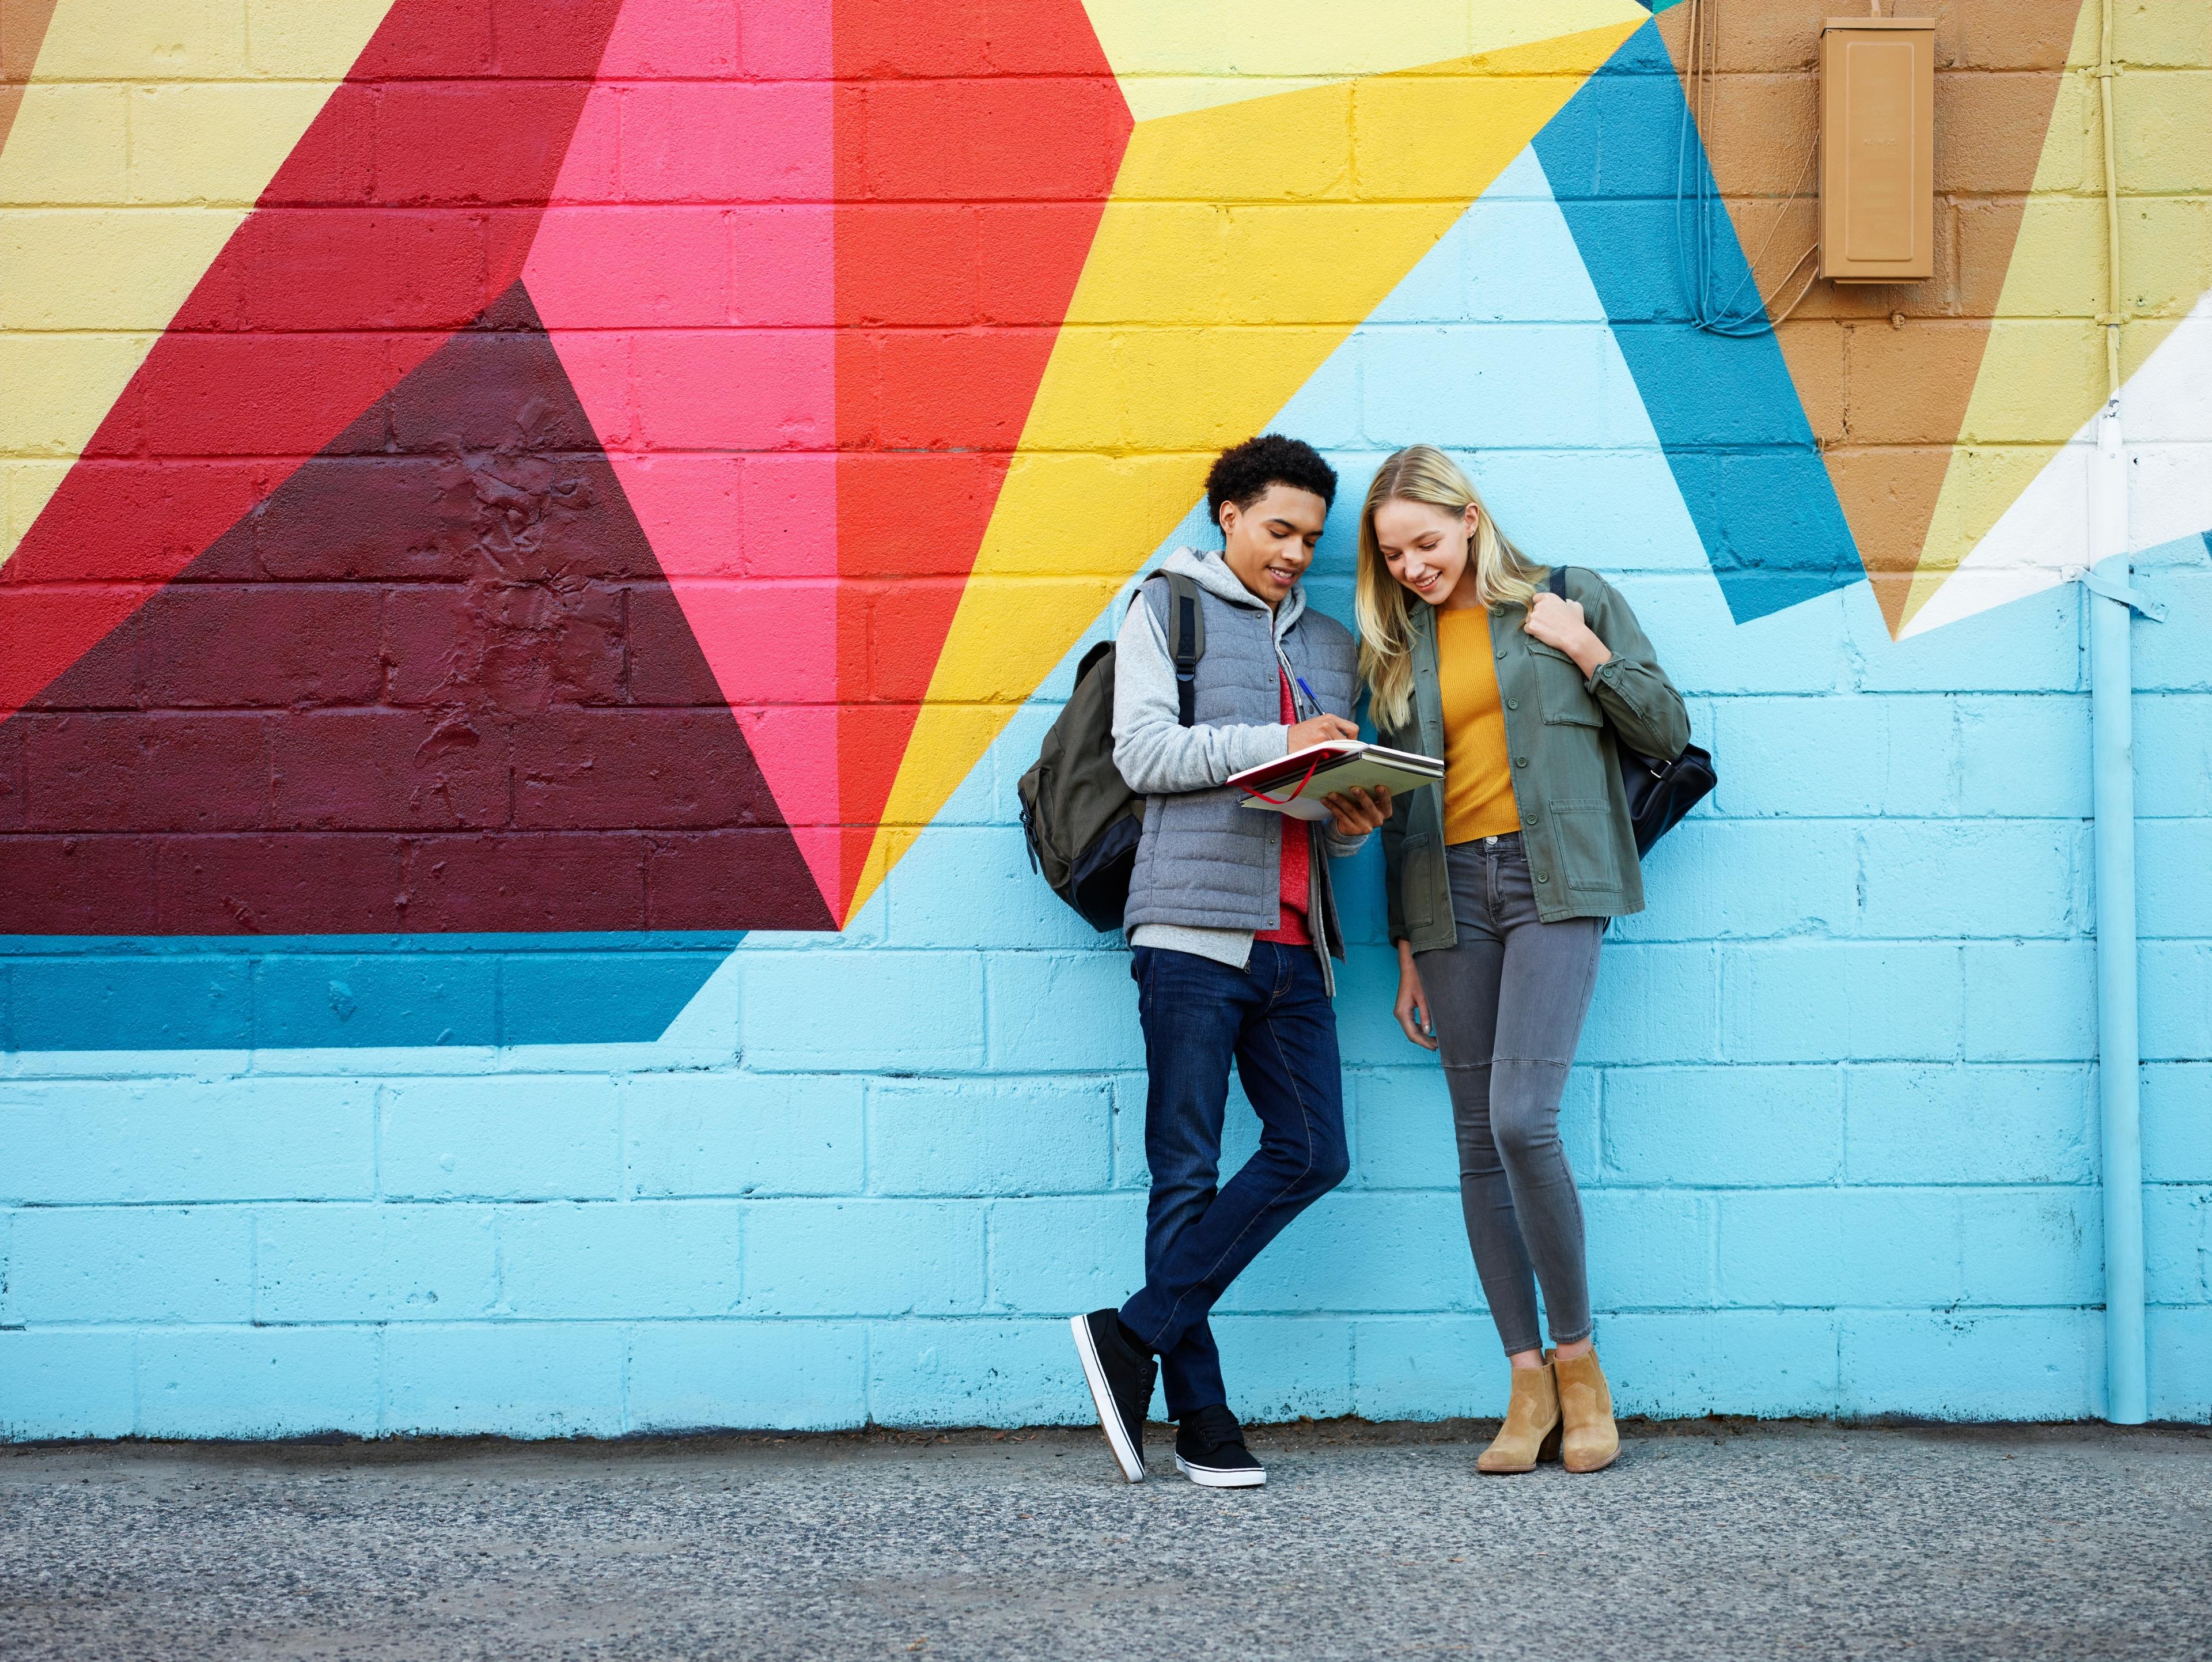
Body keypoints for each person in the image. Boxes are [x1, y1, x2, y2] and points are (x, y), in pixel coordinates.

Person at [1357, 445, 1688, 1475]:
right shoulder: (1397, 653)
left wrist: (1586, 650)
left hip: (1556, 881)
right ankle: (1526, 1383)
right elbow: (1403, 804)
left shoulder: (1567, 596)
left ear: (1468, 518)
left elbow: (1668, 730)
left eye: (1426, 541)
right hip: (1447, 894)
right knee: (1472, 1138)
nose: (1414, 566)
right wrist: (1406, 946)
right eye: (1393, 554)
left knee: (1519, 1119)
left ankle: (1581, 1363)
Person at [1070, 433, 1392, 1489]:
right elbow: (1145, 754)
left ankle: (1136, 1330)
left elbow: (1318, 813)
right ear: (1229, 516)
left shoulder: (1338, 644)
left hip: (1301, 943)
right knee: (1188, 1169)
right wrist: (1276, 744)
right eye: (1277, 529)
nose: (1295, 552)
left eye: (1310, 536)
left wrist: (1353, 813)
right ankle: (1203, 1417)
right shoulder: (1171, 610)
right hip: (1191, 938)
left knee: (1314, 1149)